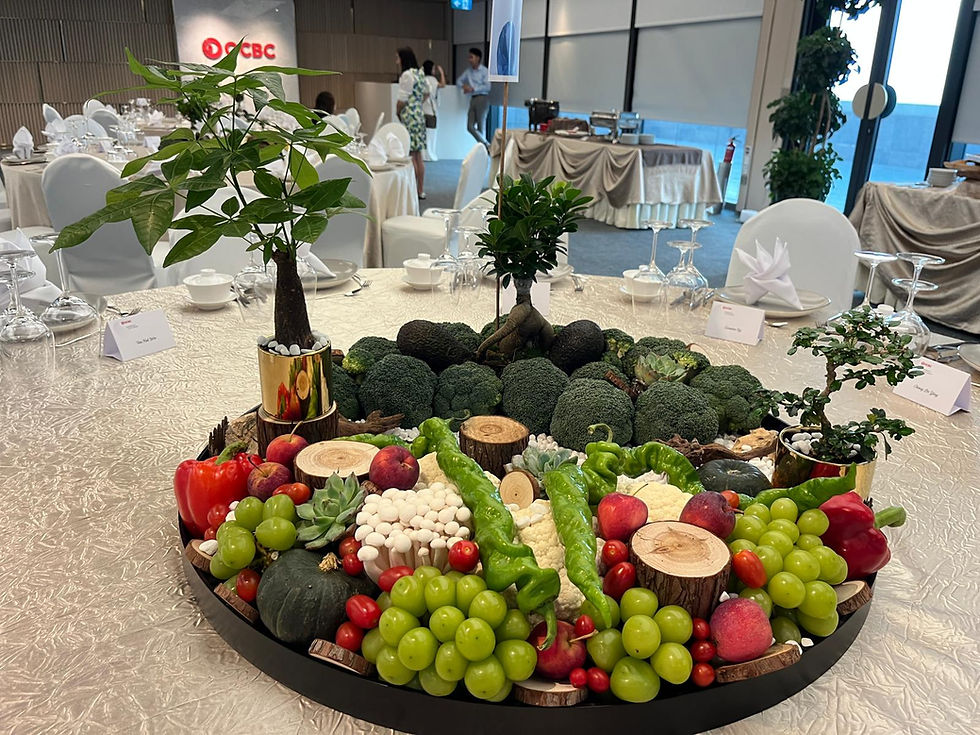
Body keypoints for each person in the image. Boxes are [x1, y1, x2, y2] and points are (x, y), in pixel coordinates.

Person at [396, 47, 429, 199]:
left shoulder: (407, 75)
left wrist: (398, 112)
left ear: (404, 59)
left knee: (411, 155)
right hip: (419, 115)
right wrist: (417, 103)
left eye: (398, 58)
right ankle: (420, 190)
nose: (396, 61)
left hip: (409, 116)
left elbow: (402, 99)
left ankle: (412, 190)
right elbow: (427, 93)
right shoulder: (421, 73)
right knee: (419, 155)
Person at [457, 47, 491, 149]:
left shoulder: (484, 71)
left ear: (478, 58)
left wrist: (473, 89)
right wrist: (464, 86)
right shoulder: (468, 71)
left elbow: (488, 87)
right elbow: (459, 81)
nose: (469, 59)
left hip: (483, 98)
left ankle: (483, 151)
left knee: (481, 125)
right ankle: (486, 145)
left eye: (471, 57)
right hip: (473, 99)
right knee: (470, 126)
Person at [421, 60, 446, 162]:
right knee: (431, 135)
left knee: (423, 135)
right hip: (432, 111)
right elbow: (443, 84)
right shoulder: (433, 80)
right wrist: (442, 73)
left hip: (422, 110)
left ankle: (424, 155)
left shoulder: (421, 79)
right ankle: (430, 155)